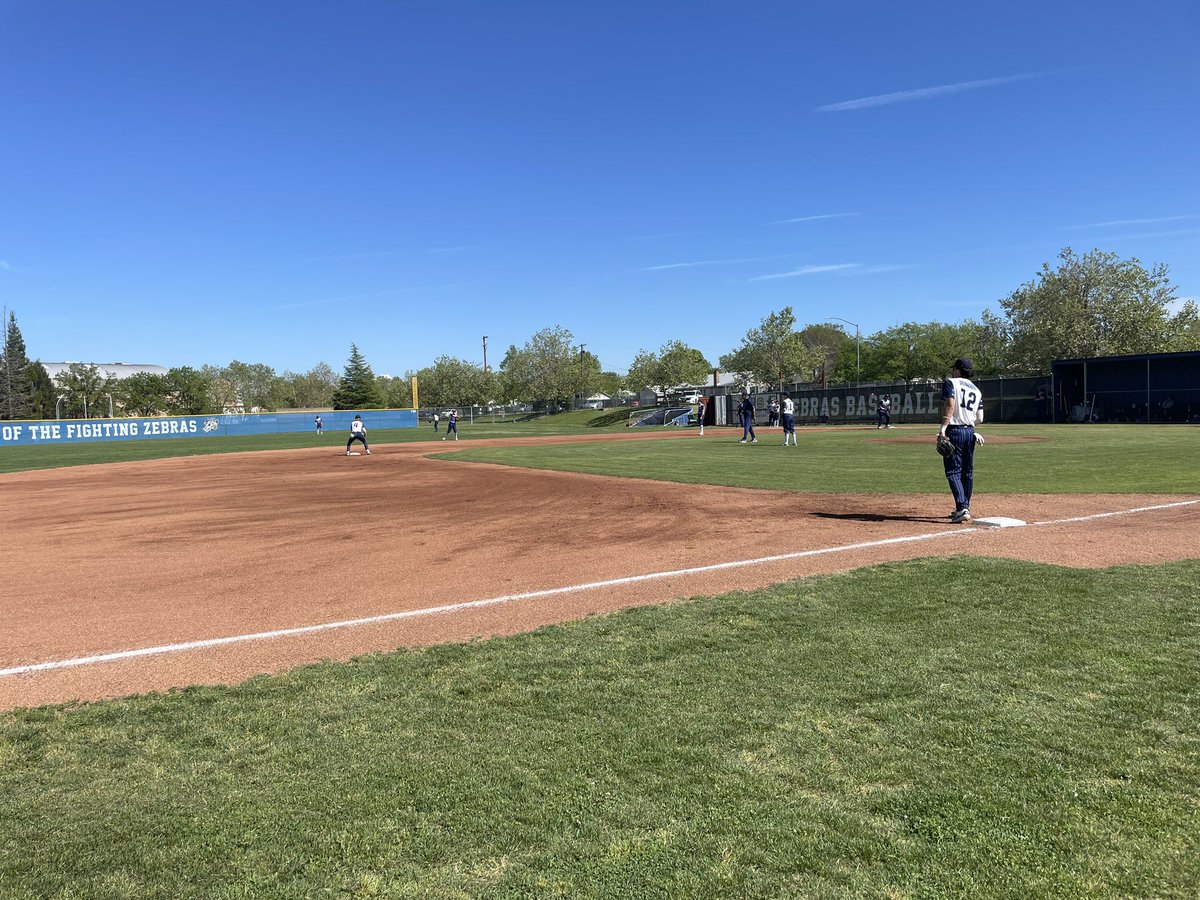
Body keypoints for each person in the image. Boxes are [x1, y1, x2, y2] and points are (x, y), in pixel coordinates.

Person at [937, 357, 982, 523]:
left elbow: (950, 405)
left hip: (954, 430)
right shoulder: (977, 390)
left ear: (958, 369)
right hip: (970, 431)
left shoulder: (951, 382)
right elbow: (980, 417)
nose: (952, 371)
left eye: (954, 368)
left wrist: (943, 428)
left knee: (953, 471)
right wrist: (970, 426)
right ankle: (964, 507)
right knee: (967, 471)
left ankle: (962, 507)